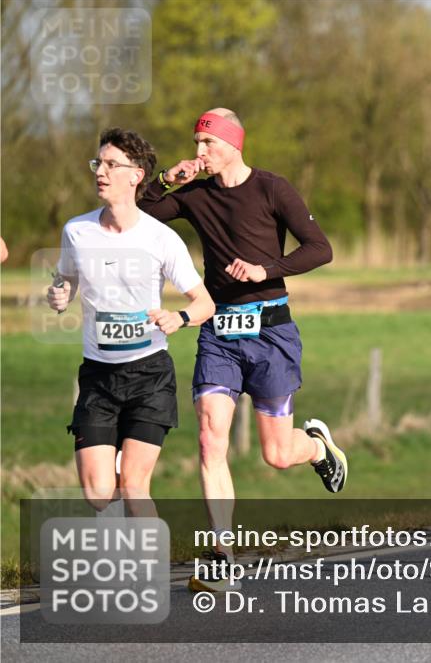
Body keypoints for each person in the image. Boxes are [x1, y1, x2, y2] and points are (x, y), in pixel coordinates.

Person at [138, 108, 345, 592]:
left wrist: (265, 269)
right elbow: (140, 214)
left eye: (206, 144)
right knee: (212, 438)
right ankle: (222, 554)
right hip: (217, 334)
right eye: (195, 144)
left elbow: (320, 247)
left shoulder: (273, 188)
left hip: (271, 331)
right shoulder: (193, 194)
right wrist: (167, 178)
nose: (199, 153)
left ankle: (317, 447)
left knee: (276, 454)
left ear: (233, 143)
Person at [47, 128, 214, 516]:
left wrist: (180, 317)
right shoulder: (77, 230)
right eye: (98, 164)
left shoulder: (161, 238)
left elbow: (204, 302)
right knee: (98, 493)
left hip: (149, 375)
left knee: (135, 486)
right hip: (98, 376)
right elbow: (66, 281)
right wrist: (59, 295)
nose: (100, 172)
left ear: (136, 175)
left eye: (110, 165)